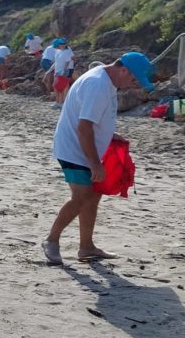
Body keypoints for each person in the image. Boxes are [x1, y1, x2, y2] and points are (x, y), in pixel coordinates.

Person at [42, 52, 155, 265]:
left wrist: (109, 135)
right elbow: (83, 127)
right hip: (74, 149)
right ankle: (51, 240)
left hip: (82, 146)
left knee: (94, 194)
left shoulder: (106, 80)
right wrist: (95, 163)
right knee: (82, 196)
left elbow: (90, 118)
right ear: (124, 70)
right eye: (134, 79)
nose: (134, 84)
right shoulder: (98, 85)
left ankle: (86, 247)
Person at [52, 40, 76, 108]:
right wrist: (53, 70)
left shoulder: (67, 51)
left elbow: (67, 62)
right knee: (56, 86)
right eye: (61, 44)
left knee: (65, 86)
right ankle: (58, 101)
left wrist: (64, 70)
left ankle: (63, 102)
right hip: (57, 71)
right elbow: (56, 62)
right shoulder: (57, 51)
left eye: (63, 43)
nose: (62, 45)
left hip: (66, 70)